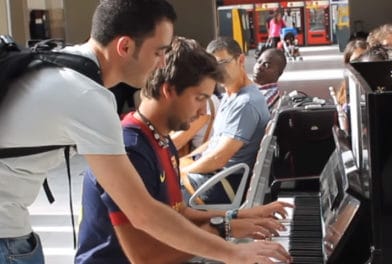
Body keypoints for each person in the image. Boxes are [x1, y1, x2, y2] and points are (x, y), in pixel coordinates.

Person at [0, 1, 290, 263]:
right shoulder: (88, 97)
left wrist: (231, 221)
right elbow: (144, 214)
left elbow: (168, 212)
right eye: (159, 52)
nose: (163, 63)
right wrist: (232, 249)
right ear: (125, 47)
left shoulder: (60, 65)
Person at [76, 36, 293, 264]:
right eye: (200, 98)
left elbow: (179, 215)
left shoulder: (160, 139)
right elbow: (145, 257)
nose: (203, 112)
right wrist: (225, 236)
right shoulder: (130, 151)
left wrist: (236, 216)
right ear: (169, 90)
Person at [180, 37, 271, 204]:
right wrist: (186, 161)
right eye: (211, 67)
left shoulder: (246, 104)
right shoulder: (231, 96)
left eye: (222, 63)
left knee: (159, 194)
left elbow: (219, 158)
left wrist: (182, 171)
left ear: (241, 60)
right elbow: (216, 141)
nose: (217, 70)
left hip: (223, 183)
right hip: (215, 176)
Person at [336, 39, 369, 105]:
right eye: (356, 60)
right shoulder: (346, 91)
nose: (361, 64)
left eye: (365, 59)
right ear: (347, 63)